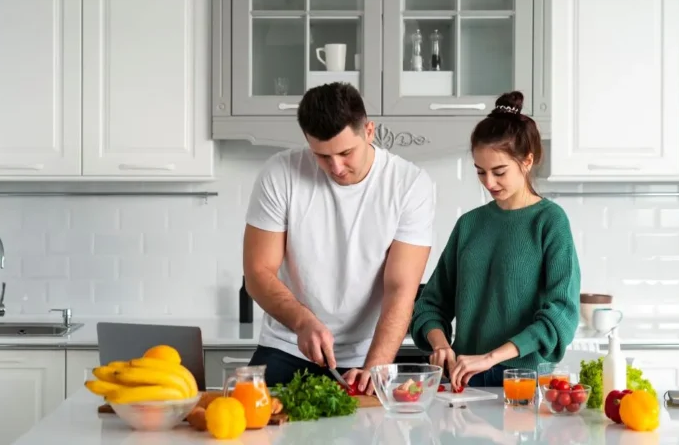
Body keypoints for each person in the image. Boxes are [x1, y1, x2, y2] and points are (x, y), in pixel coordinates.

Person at [243, 82, 436, 393]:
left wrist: (375, 366)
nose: (336, 167)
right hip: (287, 344)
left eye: (346, 152)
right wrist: (303, 321)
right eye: (321, 155)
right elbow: (257, 273)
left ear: (369, 131)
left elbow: (401, 288)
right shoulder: (280, 173)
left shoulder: (410, 184)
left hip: (366, 354)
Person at [410, 91, 581, 390]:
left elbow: (561, 315)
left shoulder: (550, 222)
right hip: (465, 379)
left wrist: (490, 358)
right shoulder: (470, 224)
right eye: (480, 172)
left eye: (499, 172)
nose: (489, 183)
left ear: (527, 161)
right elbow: (431, 303)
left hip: (524, 382)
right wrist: (440, 345)